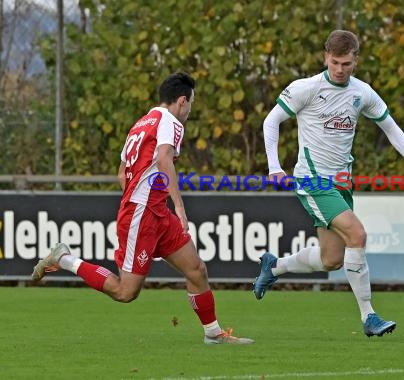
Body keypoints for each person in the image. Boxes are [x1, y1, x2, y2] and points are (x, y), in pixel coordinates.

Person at [32, 72, 253, 345]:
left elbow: (121, 174)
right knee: (126, 291)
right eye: (191, 103)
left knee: (196, 270)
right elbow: (163, 158)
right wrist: (179, 207)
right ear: (182, 101)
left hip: (154, 211)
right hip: (143, 213)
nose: (190, 110)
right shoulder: (171, 122)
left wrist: (146, 198)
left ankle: (213, 333)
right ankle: (63, 259)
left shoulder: (140, 124)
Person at [254, 30, 404, 337]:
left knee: (331, 259)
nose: (340, 69)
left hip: (341, 183)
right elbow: (271, 121)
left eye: (346, 63)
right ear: (326, 56)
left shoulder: (362, 93)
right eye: (335, 62)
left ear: (356, 60)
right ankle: (369, 316)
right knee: (358, 233)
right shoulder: (306, 88)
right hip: (312, 181)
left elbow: (391, 129)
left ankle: (274, 267)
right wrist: (275, 167)